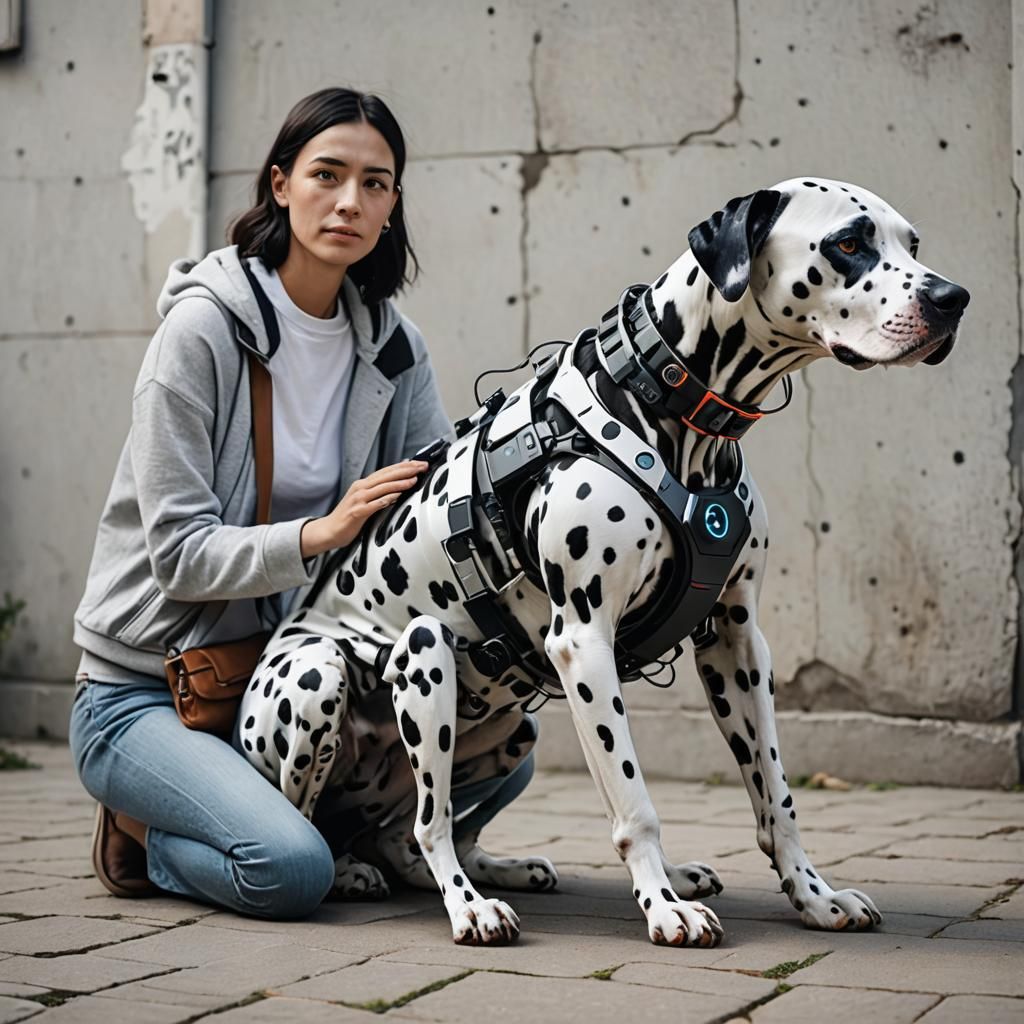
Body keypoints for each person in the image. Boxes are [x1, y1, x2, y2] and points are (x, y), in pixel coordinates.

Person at [69, 87, 536, 919]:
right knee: (290, 872)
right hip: (149, 690)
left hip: (294, 681)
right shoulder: (200, 333)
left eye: (376, 184)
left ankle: (354, 835)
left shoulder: (395, 348)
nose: (350, 201)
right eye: (328, 174)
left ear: (393, 207)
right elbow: (176, 555)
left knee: (507, 747)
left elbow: (425, 511)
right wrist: (323, 532)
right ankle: (147, 829)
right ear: (280, 184)